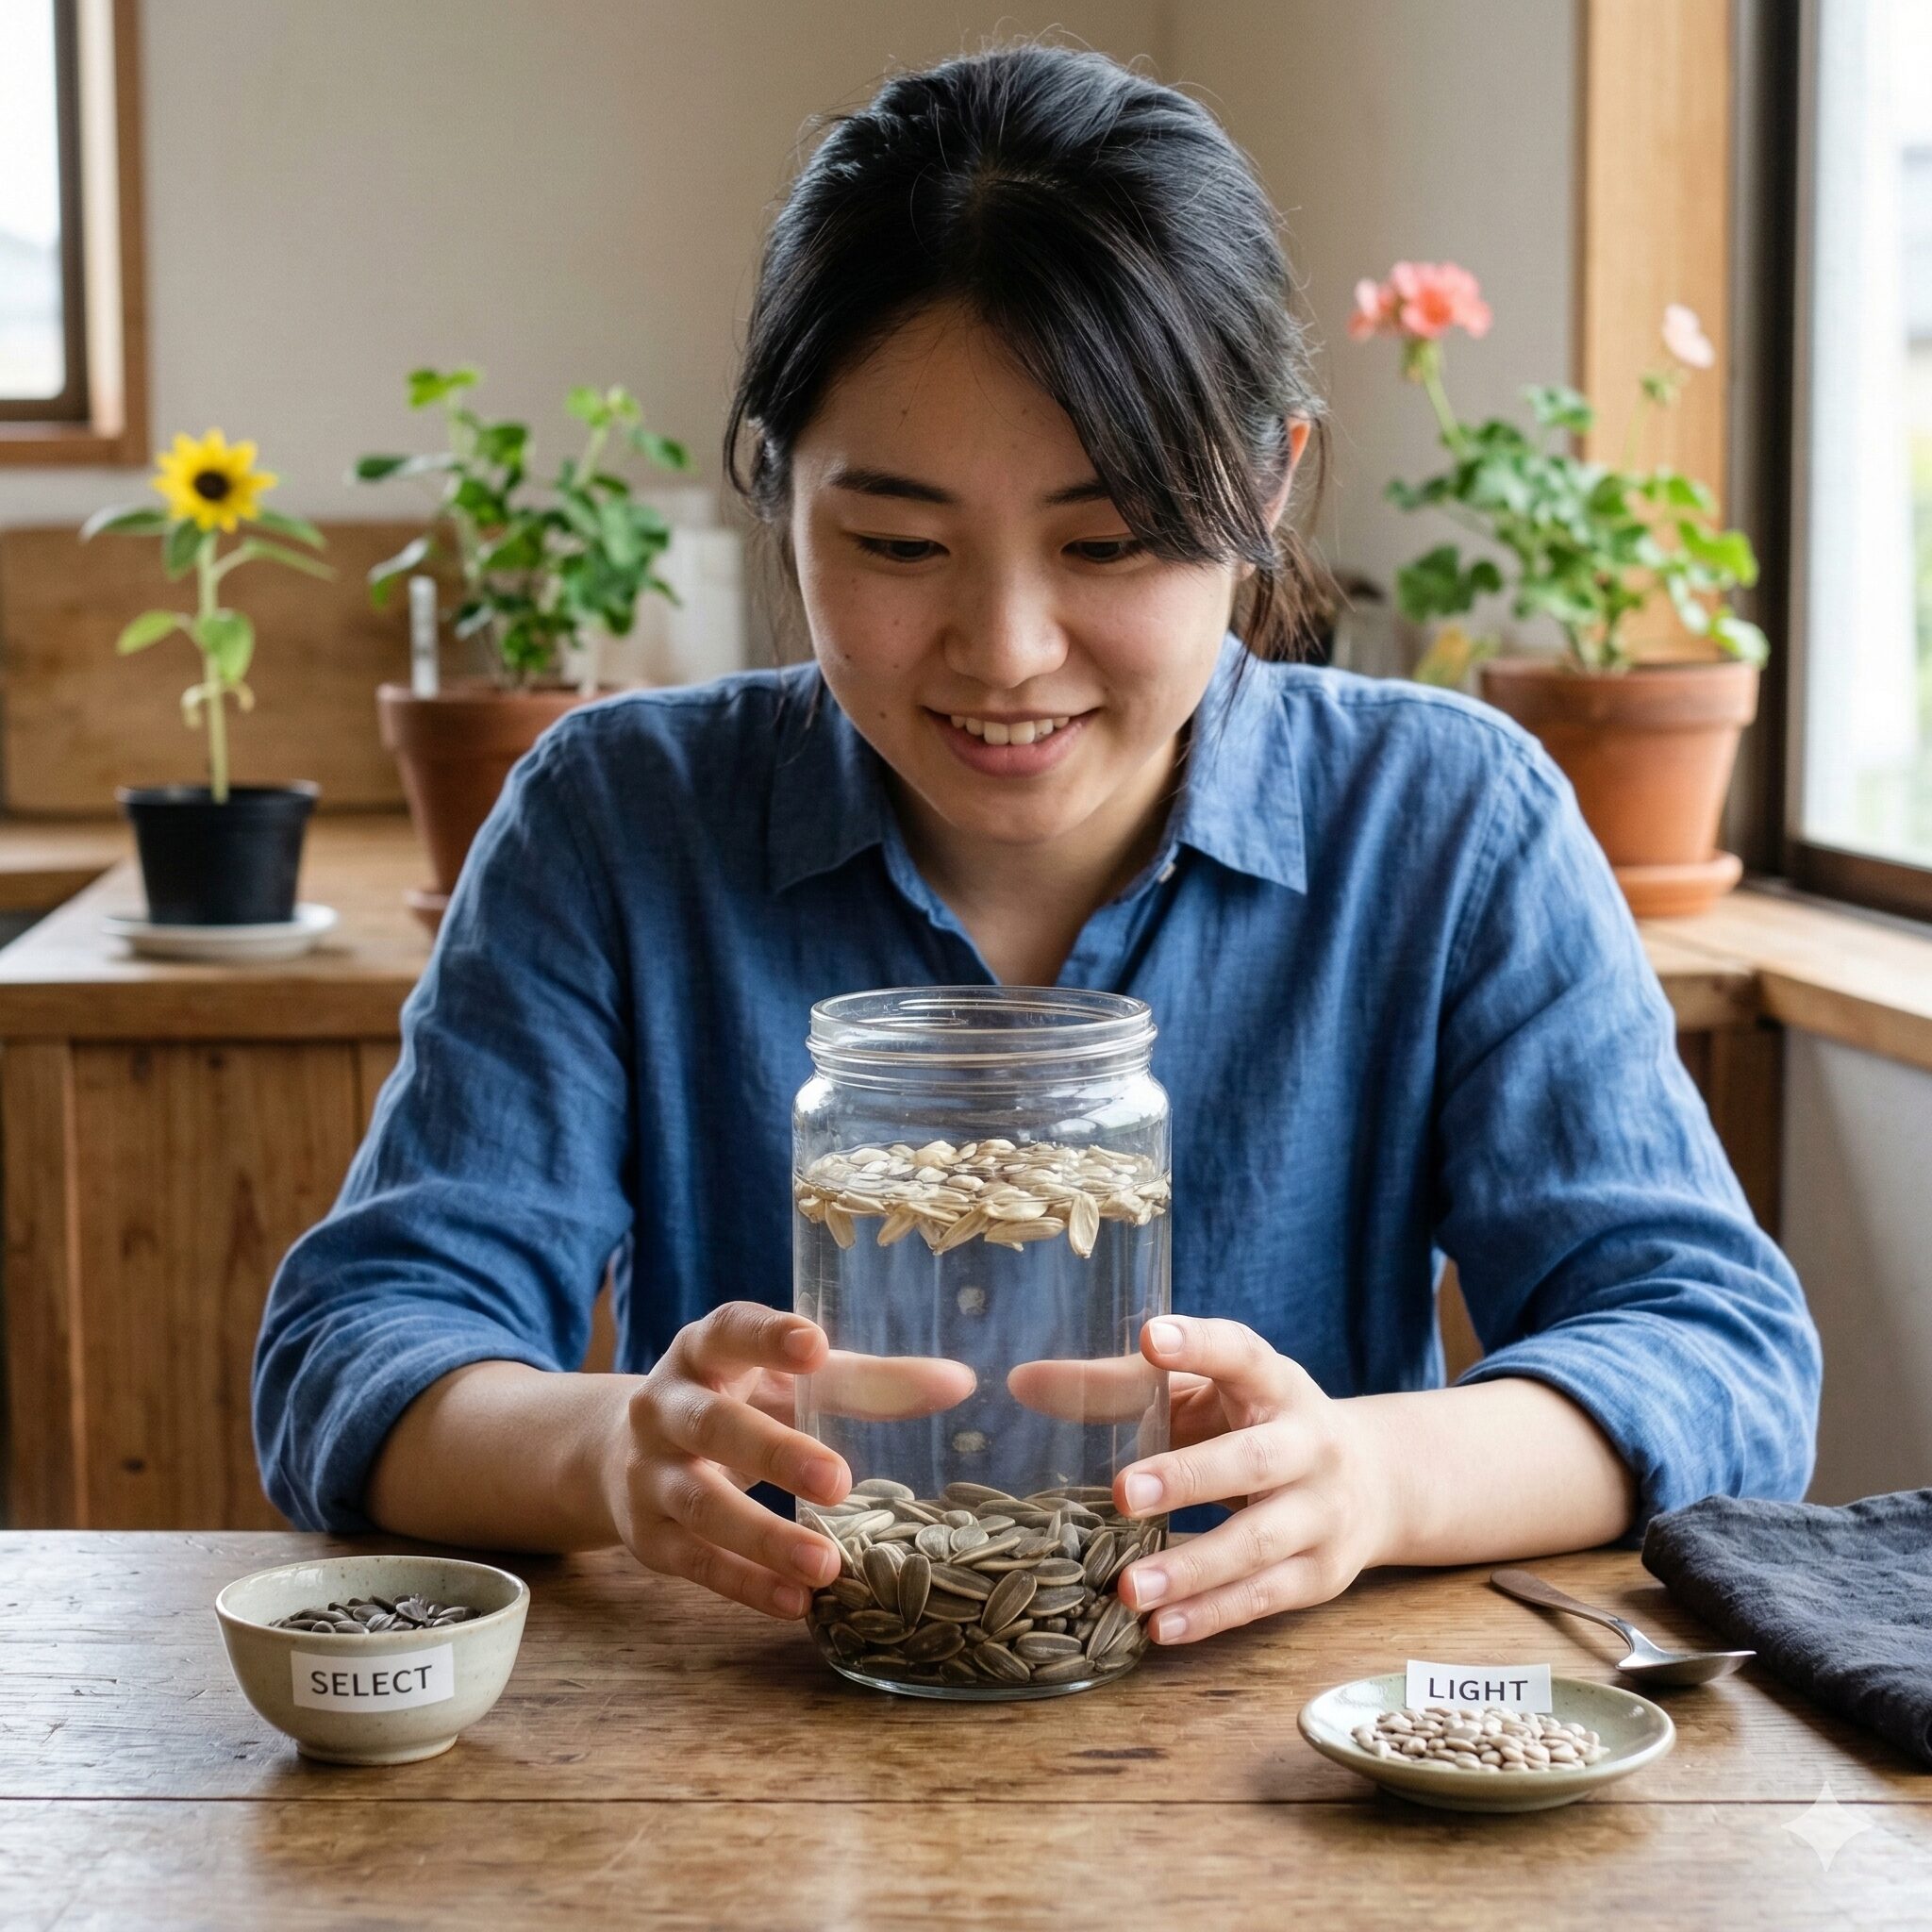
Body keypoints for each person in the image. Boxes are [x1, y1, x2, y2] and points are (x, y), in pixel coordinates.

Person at [255, 43, 1820, 1651]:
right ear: (778, 491)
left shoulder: (1450, 825)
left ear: (1267, 485)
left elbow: (1716, 1357)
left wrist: (1374, 1477)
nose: (1005, 649)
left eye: (1111, 541)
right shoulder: (618, 817)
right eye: (899, 544)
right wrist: (615, 1451)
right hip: (757, 1781)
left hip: (1294, 1800)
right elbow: (353, 1354)